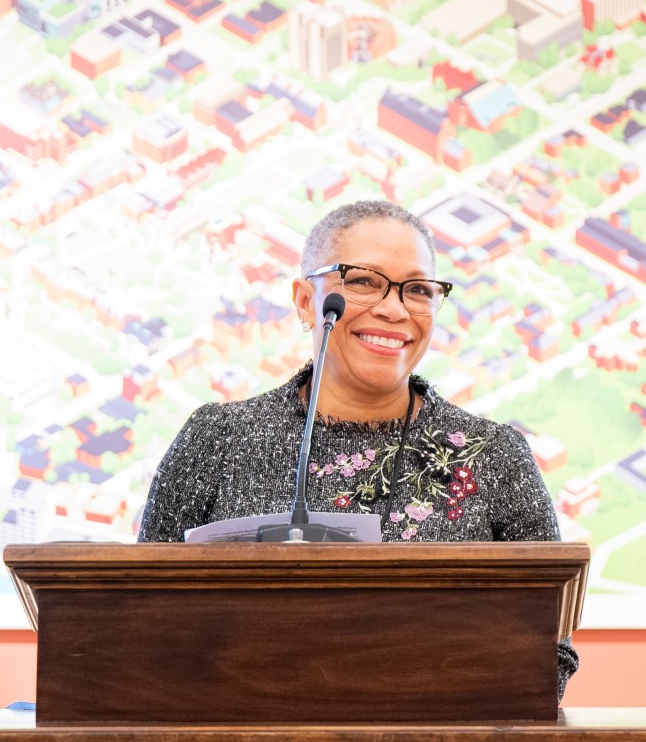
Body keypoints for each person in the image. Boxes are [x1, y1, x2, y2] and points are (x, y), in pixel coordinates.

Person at [138, 199, 578, 698]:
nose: (393, 309)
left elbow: (548, 651)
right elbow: (137, 619)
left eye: (417, 289)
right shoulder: (216, 438)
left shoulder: (493, 455)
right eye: (364, 281)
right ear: (306, 301)